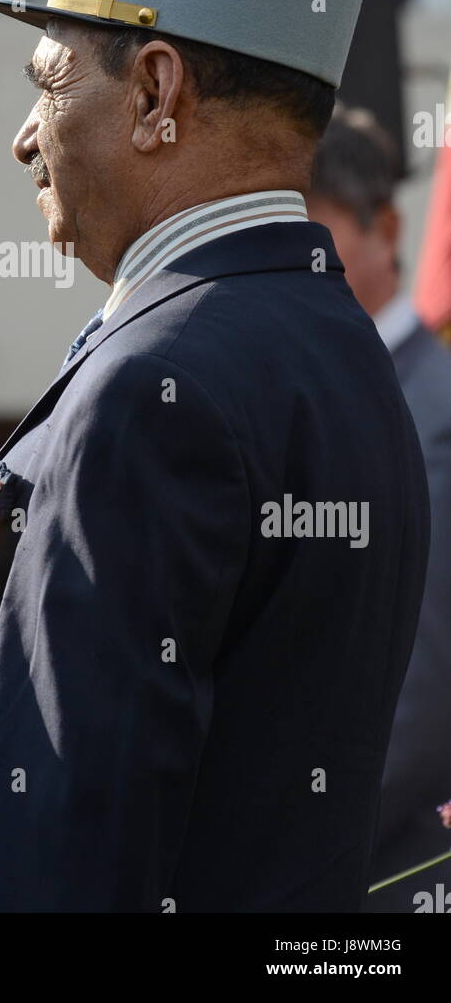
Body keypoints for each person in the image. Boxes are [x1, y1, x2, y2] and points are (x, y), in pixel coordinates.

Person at [0, 0, 429, 914]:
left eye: (50, 83)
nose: (26, 137)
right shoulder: (338, 355)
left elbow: (62, 849)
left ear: (157, 92)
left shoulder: (155, 386)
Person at [308, 106, 451, 912]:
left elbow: (423, 693)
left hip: (385, 879)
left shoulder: (432, 416)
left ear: (387, 228)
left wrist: (279, 852)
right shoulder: (308, 396)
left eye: (308, 230)